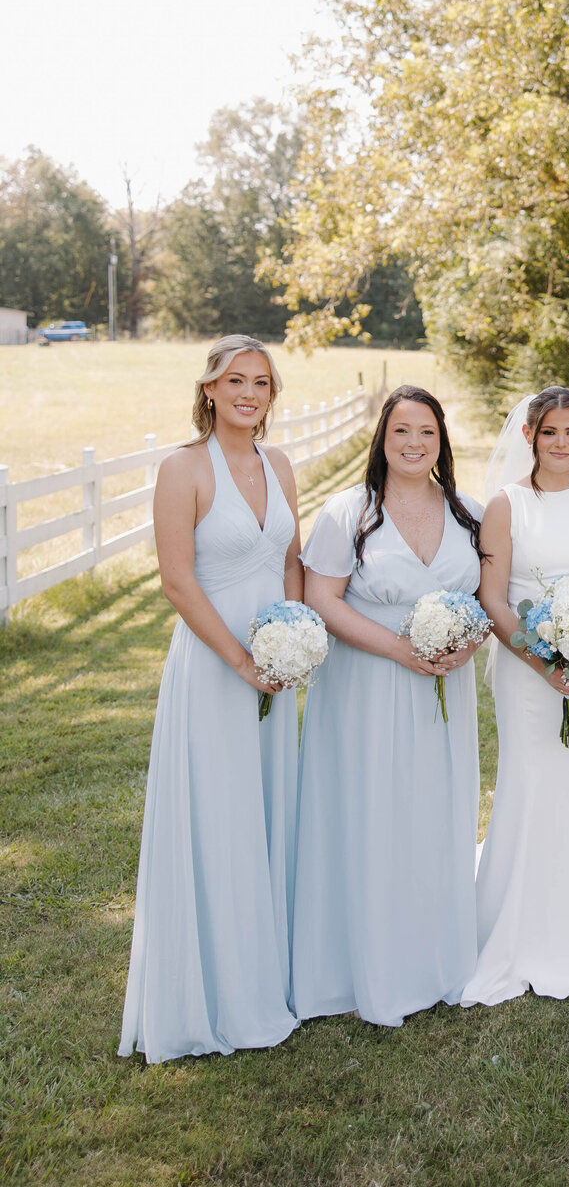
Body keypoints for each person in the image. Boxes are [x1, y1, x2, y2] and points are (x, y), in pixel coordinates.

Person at [120, 336, 302, 1063]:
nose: (249, 393)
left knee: (267, 808)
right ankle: (217, 990)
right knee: (218, 814)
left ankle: (270, 972)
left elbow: (289, 560)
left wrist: (294, 638)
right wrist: (240, 660)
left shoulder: (279, 464)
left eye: (260, 382)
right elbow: (176, 581)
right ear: (209, 390)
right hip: (215, 666)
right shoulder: (183, 469)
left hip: (277, 668)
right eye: (235, 381)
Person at [292, 387, 485, 1025]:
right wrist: (399, 650)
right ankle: (362, 964)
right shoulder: (349, 512)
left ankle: (432, 956)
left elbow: (487, 598)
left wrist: (465, 643)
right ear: (382, 438)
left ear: (441, 441)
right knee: (370, 809)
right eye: (401, 430)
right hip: (367, 684)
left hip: (443, 688)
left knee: (432, 809)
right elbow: (322, 599)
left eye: (426, 432)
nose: (413, 443)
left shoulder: (468, 513)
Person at [460, 386, 569, 1006]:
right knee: (532, 780)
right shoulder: (506, 505)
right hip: (526, 668)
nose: (562, 444)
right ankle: (522, 924)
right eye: (550, 432)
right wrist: (544, 661)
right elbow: (494, 598)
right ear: (529, 435)